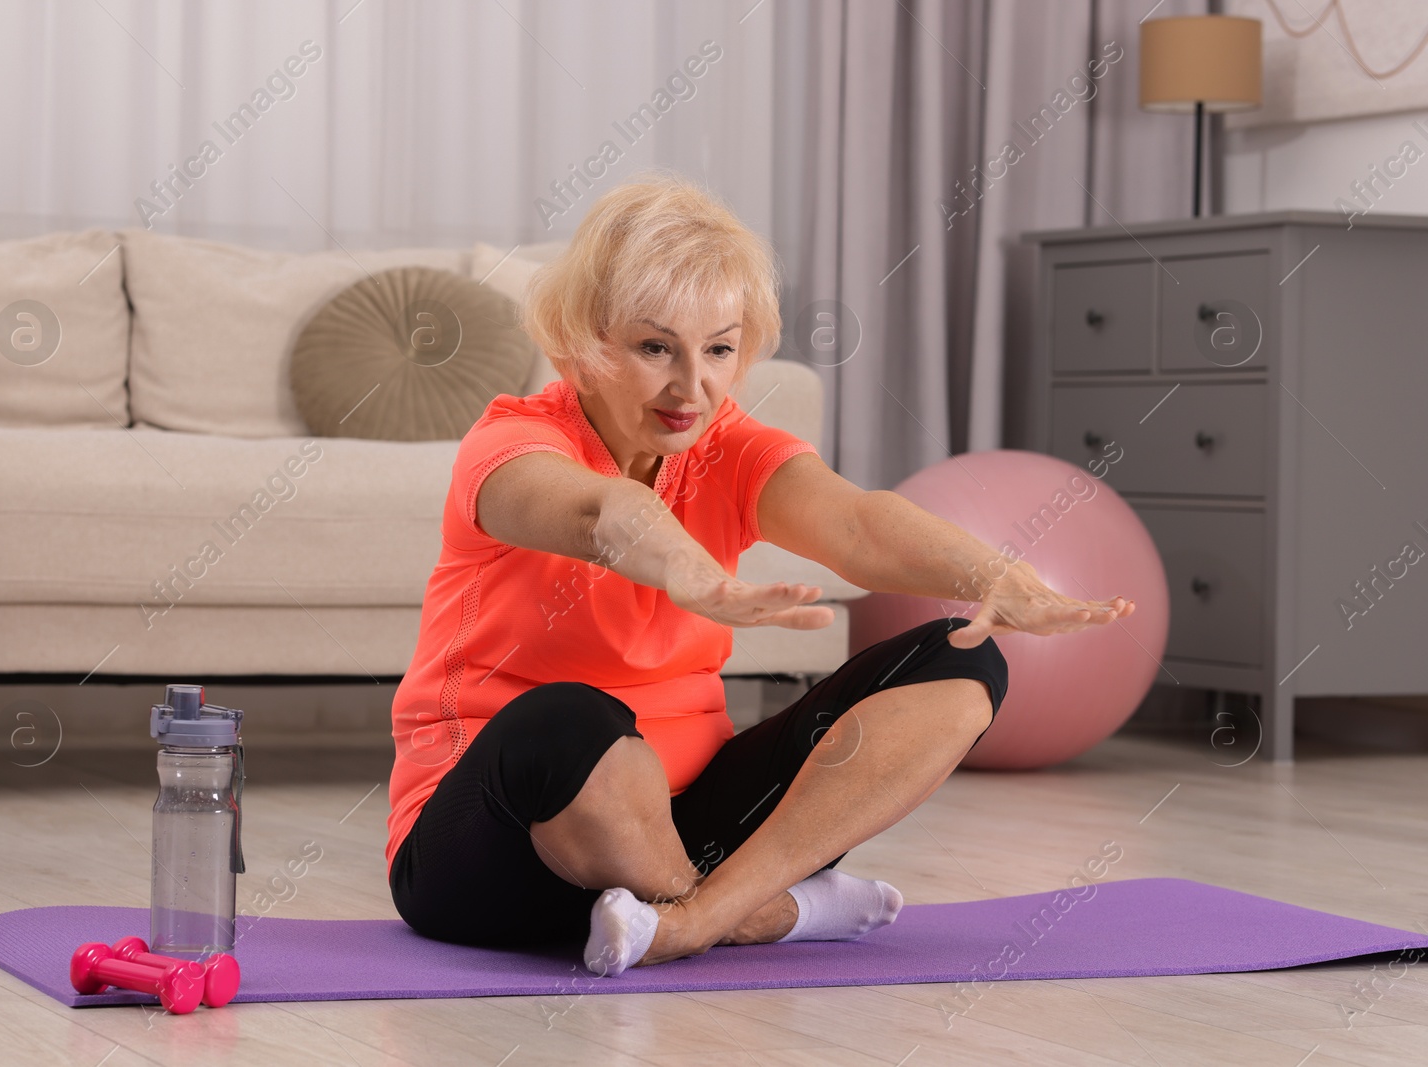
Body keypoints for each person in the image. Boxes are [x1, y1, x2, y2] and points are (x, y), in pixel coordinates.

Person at [385, 172, 1136, 977]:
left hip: (699, 823)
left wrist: (994, 572)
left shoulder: (727, 446)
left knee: (963, 657)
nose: (692, 387)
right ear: (586, 343)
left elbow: (855, 523)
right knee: (566, 721)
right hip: (495, 850)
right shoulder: (511, 446)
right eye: (653, 347)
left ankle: (696, 916)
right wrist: (686, 570)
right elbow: (598, 512)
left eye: (718, 349)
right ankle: (771, 910)